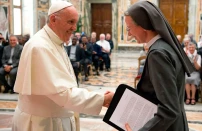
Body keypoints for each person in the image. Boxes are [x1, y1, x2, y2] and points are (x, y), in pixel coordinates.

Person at [12, 1, 114, 131]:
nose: (74, 28)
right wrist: (102, 99)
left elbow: (64, 84)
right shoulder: (40, 47)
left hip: (54, 119)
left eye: (75, 23)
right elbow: (62, 93)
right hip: (43, 124)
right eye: (70, 22)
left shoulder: (54, 42)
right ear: (53, 19)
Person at [124, 1, 194, 131]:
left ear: (143, 26)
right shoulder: (164, 47)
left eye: (129, 28)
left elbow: (169, 110)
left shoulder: (158, 53)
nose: (129, 35)